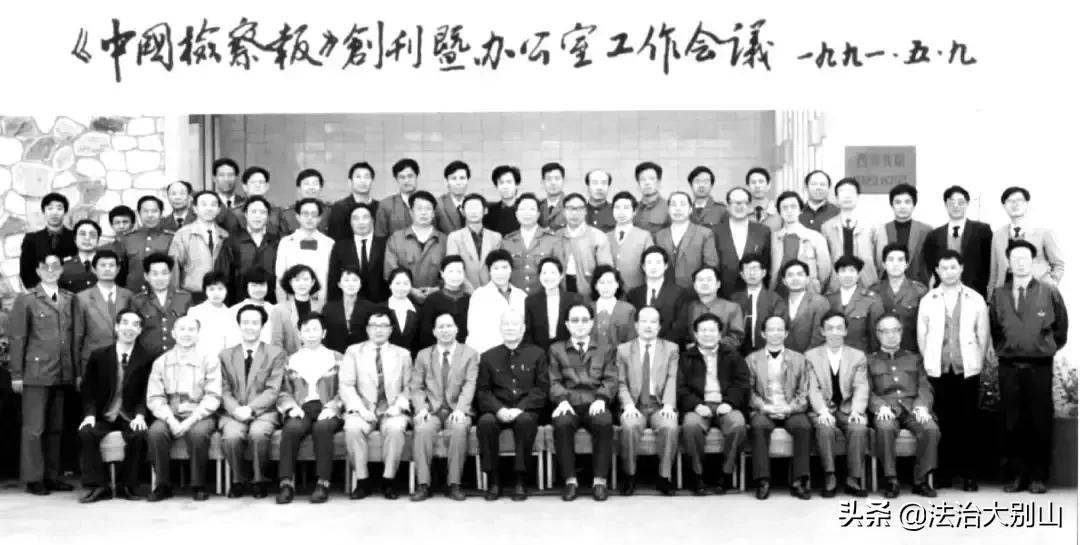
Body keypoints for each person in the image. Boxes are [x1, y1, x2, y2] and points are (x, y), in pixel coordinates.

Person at [988, 239, 1068, 494]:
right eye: (1015, 258)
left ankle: (1038, 476)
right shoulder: (999, 295)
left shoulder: (1049, 291)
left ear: (1033, 262)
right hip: (1009, 366)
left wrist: (1044, 348)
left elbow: (1061, 329)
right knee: (1012, 420)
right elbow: (995, 329)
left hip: (1039, 366)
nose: (1020, 262)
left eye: (1025, 258)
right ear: (1009, 263)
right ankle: (1016, 475)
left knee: (1040, 421)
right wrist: (1007, 348)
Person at [917, 249, 989, 492]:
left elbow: (983, 335)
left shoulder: (975, 299)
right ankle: (944, 474)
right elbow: (922, 335)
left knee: (968, 422)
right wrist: (930, 359)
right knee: (943, 421)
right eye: (944, 268)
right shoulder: (929, 299)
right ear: (937, 270)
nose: (949, 272)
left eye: (953, 267)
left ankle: (969, 475)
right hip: (938, 370)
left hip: (967, 369)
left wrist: (977, 361)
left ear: (961, 269)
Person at [9, 253, 76, 495]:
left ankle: (52, 475)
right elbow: (17, 338)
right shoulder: (27, 299)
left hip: (61, 372)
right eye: (45, 266)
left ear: (61, 270)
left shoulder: (69, 298)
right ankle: (33, 478)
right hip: (35, 372)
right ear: (38, 270)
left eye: (55, 266)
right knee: (34, 428)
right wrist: (17, 374)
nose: (50, 270)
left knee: (55, 428)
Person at [77, 309, 152, 502]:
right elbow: (89, 390)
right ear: (117, 327)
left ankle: (127, 485)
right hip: (104, 414)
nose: (129, 328)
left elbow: (146, 391)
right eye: (125, 323)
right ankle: (98, 486)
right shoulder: (99, 356)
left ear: (140, 330)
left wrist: (140, 415)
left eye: (135, 325)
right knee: (87, 432)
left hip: (130, 415)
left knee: (138, 434)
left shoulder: (146, 358)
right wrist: (90, 415)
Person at [145, 316, 223, 502]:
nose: (186, 334)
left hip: (200, 415)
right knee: (156, 432)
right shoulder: (161, 362)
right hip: (170, 414)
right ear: (173, 333)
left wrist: (190, 420)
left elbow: (213, 396)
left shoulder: (209, 360)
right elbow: (155, 397)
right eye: (182, 329)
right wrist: (170, 419)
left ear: (198, 334)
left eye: (191, 329)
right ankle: (163, 485)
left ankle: (198, 485)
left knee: (198, 434)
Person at [476, 309, 549, 501]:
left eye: (514, 324)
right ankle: (493, 480)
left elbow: (541, 388)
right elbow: (483, 391)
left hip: (525, 409)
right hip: (497, 409)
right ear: (500, 328)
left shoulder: (537, 354)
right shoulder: (488, 356)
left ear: (523, 328)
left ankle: (520, 481)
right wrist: (499, 409)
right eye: (506, 324)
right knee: (485, 423)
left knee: (525, 422)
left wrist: (520, 408)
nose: (510, 328)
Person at [340, 311, 413, 500]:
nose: (378, 330)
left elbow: (410, 386)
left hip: (392, 409)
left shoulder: (403, 354)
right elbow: (346, 385)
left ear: (391, 329)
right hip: (363, 409)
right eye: (374, 325)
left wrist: (398, 406)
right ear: (367, 329)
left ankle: (389, 480)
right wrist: (360, 409)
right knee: (352, 427)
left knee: (396, 428)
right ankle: (362, 481)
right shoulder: (353, 352)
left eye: (383, 326)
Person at [547, 303, 616, 502]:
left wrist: (602, 398)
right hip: (568, 403)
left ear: (592, 323)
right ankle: (570, 481)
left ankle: (599, 482)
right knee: (562, 423)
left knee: (604, 421)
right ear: (567, 324)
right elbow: (553, 380)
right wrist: (561, 400)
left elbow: (611, 378)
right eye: (575, 320)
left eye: (584, 320)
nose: (580, 324)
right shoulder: (556, 349)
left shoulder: (605, 349)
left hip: (595, 402)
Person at [275, 313, 345, 504]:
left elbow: (346, 387)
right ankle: (286, 483)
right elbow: (281, 390)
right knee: (291, 429)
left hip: (328, 406)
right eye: (306, 330)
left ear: (324, 333)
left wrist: (333, 407)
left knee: (322, 428)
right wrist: (291, 408)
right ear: (299, 334)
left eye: (315, 329)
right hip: (301, 407)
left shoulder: (337, 358)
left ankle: (323, 483)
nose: (311, 334)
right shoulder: (290, 360)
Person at [677, 313, 751, 496]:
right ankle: (697, 476)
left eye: (712, 330)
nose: (707, 334)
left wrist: (730, 402)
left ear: (719, 334)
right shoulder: (686, 358)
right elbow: (680, 387)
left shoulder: (733, 355)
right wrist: (696, 405)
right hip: (699, 405)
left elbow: (742, 383)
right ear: (695, 334)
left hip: (725, 405)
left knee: (737, 424)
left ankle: (726, 474)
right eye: (703, 330)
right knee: (691, 425)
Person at [409, 313, 480, 502]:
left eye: (449, 326)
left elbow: (470, 384)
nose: (445, 330)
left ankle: (454, 484)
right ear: (434, 332)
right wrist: (421, 409)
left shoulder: (470, 354)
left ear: (457, 329)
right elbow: (416, 386)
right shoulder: (423, 355)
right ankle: (423, 484)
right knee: (422, 428)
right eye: (440, 327)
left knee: (458, 428)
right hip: (431, 410)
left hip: (457, 409)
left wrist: (461, 409)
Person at [219, 304, 287, 499]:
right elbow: (223, 389)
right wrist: (236, 410)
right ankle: (239, 480)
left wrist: (250, 409)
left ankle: (260, 481)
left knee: (258, 434)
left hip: (264, 411)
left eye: (255, 322)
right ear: (239, 325)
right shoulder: (225, 355)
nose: (250, 326)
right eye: (245, 322)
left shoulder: (275, 353)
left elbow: (273, 389)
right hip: (233, 411)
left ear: (262, 326)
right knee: (231, 436)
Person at [868, 314, 940, 498]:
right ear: (878, 334)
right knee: (885, 428)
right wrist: (880, 406)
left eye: (895, 330)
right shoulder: (870, 360)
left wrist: (922, 406)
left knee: (930, 429)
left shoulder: (914, 358)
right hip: (886, 408)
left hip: (912, 407)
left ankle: (921, 481)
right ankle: (891, 480)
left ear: (901, 332)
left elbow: (924, 386)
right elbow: (866, 390)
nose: (891, 335)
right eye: (885, 331)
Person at [746, 315, 813, 500]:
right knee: (758, 426)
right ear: (763, 333)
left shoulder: (799, 359)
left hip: (791, 408)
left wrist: (790, 408)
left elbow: (804, 390)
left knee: (803, 426)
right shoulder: (752, 359)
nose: (775, 333)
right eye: (771, 329)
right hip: (764, 408)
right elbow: (749, 391)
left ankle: (799, 480)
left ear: (786, 333)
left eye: (779, 329)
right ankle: (762, 480)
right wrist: (764, 407)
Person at [804, 311, 871, 498]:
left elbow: (861, 386)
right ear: (822, 331)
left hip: (848, 408)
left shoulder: (857, 356)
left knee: (858, 427)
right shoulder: (810, 356)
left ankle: (853, 478)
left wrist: (857, 410)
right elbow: (812, 388)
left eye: (839, 328)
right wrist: (822, 411)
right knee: (825, 427)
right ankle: (830, 476)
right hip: (823, 408)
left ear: (846, 331)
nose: (834, 332)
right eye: (830, 328)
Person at [615, 307, 678, 495]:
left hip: (659, 404)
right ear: (636, 325)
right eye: (643, 321)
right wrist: (627, 405)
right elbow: (620, 382)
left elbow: (672, 378)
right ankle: (629, 476)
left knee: (669, 426)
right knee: (629, 426)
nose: (648, 326)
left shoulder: (671, 349)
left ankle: (664, 477)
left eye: (653, 322)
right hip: (635, 405)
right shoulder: (623, 350)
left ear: (659, 327)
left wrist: (668, 404)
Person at [988, 186, 1065, 293]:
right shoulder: (998, 235)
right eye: (1010, 201)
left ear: (1027, 204)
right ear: (1004, 206)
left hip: (1036, 292)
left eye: (1019, 200)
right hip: (1005, 293)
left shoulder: (1043, 233)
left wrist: (1050, 286)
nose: (1015, 204)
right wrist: (991, 297)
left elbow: (1058, 264)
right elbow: (994, 271)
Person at [923, 185, 994, 298]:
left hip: (975, 293)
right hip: (943, 294)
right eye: (952, 202)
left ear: (967, 204)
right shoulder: (934, 235)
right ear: (946, 204)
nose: (956, 206)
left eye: (960, 202)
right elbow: (930, 264)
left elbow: (989, 263)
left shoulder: (982, 231)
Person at [74, 250, 133, 372]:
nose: (107, 269)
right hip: (93, 362)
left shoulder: (128, 296)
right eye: (103, 265)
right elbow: (77, 337)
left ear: (118, 269)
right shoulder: (82, 298)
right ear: (94, 269)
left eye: (111, 265)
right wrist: (77, 372)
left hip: (124, 361)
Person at [215, 196, 279, 306]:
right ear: (245, 214)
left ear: (268, 216)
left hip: (270, 303)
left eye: (262, 212)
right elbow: (222, 275)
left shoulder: (277, 242)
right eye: (253, 212)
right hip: (238, 302)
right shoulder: (232, 241)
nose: (257, 216)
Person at [384, 190, 447, 301]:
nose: (424, 213)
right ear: (411, 212)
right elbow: (389, 272)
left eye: (428, 209)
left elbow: (451, 271)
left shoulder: (445, 240)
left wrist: (436, 289)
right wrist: (411, 290)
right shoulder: (396, 239)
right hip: (403, 299)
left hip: (437, 300)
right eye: (419, 209)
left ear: (433, 213)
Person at [168, 190, 228, 304]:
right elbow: (174, 267)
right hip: (192, 294)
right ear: (195, 208)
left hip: (219, 294)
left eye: (213, 205)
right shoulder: (183, 234)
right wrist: (175, 296)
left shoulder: (225, 235)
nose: (209, 208)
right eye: (204, 204)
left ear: (219, 210)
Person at [130, 253, 193, 357]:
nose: (160, 278)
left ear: (170, 275)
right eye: (155, 274)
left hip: (179, 356)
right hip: (148, 358)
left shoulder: (184, 298)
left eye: (164, 273)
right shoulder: (138, 300)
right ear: (146, 276)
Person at [713, 187, 772, 298]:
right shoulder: (715, 231)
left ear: (749, 206)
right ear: (727, 206)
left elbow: (767, 265)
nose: (739, 206)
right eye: (735, 202)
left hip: (754, 294)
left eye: (743, 202)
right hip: (723, 294)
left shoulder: (763, 231)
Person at [499, 193, 564, 293]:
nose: (527, 213)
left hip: (544, 297)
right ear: (516, 214)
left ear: (538, 214)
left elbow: (561, 272)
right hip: (515, 298)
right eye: (523, 209)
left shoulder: (552, 240)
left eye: (532, 209)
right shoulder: (507, 242)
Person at [821, 178, 879, 289]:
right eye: (842, 192)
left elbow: (879, 258)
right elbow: (825, 261)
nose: (847, 196)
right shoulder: (827, 227)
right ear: (836, 198)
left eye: (850, 191)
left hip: (867, 283)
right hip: (837, 285)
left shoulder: (872, 225)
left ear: (858, 196)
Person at [465, 249, 528, 353]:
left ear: (511, 269)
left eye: (504, 268)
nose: (500, 273)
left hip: (518, 353)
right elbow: (474, 331)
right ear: (489, 271)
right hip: (488, 352)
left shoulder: (521, 296)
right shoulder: (479, 295)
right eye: (496, 268)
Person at [275, 198, 334, 305]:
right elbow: (280, 276)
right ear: (298, 217)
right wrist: (282, 305)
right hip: (291, 303)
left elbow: (332, 277)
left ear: (320, 218)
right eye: (305, 214)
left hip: (321, 303)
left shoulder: (329, 243)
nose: (309, 218)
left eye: (314, 214)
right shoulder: (286, 243)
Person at [770, 191, 831, 295]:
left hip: (808, 293)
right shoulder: (773, 238)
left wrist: (816, 288)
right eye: (784, 208)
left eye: (793, 207)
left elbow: (825, 269)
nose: (789, 211)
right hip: (778, 293)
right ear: (779, 212)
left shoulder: (815, 237)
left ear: (800, 210)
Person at [655, 191, 719, 289]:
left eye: (682, 204)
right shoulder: (659, 235)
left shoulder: (705, 234)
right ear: (668, 210)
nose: (678, 208)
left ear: (690, 209)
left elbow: (711, 265)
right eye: (673, 205)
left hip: (694, 290)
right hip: (666, 290)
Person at [326, 202, 388, 303]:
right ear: (350, 222)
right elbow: (333, 279)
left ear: (372, 220)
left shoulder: (385, 244)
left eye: (365, 217)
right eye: (356, 218)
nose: (361, 222)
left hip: (381, 304)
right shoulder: (340, 247)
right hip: (350, 304)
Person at [625, 246, 689, 343]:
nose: (653, 266)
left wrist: (659, 346)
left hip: (669, 346)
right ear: (643, 267)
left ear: (666, 266)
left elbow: (681, 326)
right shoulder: (633, 294)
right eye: (649, 262)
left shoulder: (679, 293)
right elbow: (630, 325)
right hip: (639, 347)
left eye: (658, 262)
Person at [872, 184, 932, 285]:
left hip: (919, 286)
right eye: (898, 202)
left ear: (914, 204)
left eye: (907, 202)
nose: (902, 206)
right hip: (888, 287)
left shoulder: (926, 231)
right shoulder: (882, 230)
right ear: (892, 205)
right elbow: (876, 262)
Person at [556, 192, 613, 297]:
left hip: (589, 290)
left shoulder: (598, 236)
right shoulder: (557, 236)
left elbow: (605, 270)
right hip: (561, 290)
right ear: (563, 211)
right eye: (570, 208)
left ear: (585, 211)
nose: (575, 213)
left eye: (579, 208)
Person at [523, 257, 585, 353]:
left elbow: (580, 329)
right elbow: (528, 332)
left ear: (561, 275)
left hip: (568, 352)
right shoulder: (531, 301)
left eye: (553, 272)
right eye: (544, 273)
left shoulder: (575, 299)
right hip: (539, 352)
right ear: (539, 276)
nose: (548, 277)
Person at [825, 255, 885, 354]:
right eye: (843, 271)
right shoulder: (828, 299)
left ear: (858, 274)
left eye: (852, 271)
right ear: (837, 274)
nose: (847, 275)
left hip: (861, 355)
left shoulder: (871, 299)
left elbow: (876, 334)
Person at [676, 266, 744, 351]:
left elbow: (737, 338)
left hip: (723, 355)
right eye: (700, 280)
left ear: (718, 284)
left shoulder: (732, 307)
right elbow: (681, 334)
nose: (705, 283)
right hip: (693, 356)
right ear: (694, 286)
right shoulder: (689, 307)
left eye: (709, 280)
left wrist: (706, 345)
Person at [731, 254, 787, 356]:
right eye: (747, 269)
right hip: (737, 352)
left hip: (765, 351)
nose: (752, 273)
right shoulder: (734, 299)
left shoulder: (775, 299)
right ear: (742, 274)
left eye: (755, 268)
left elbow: (780, 327)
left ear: (764, 273)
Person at [445, 193, 502, 290]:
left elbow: (498, 266)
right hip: (464, 290)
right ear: (462, 211)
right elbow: (452, 266)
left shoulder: (496, 237)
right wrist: (468, 288)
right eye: (469, 208)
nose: (473, 211)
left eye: (477, 207)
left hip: (491, 290)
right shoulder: (454, 237)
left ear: (485, 210)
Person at [20, 192, 77, 290]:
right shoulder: (31, 239)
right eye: (50, 208)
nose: (54, 212)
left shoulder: (75, 238)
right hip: (40, 293)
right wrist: (38, 292)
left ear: (65, 212)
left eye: (59, 208)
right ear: (44, 211)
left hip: (70, 292)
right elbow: (26, 271)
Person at [118, 195, 174, 293]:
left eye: (154, 211)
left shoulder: (171, 238)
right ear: (138, 213)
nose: (150, 215)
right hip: (133, 293)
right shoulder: (127, 239)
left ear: (161, 213)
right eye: (145, 211)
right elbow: (121, 270)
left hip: (163, 294)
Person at [878, 244, 928, 352]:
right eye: (891, 260)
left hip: (912, 352)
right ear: (884, 264)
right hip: (880, 355)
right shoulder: (874, 291)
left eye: (900, 260)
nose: (895, 264)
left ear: (907, 264)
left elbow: (926, 326)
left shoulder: (919, 291)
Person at [269, 264, 326, 355]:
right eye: (297, 280)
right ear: (290, 282)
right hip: (289, 360)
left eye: (305, 279)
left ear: (312, 282)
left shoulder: (322, 307)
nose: (301, 283)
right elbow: (276, 343)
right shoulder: (279, 310)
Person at [415, 256, 470, 349]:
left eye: (459, 272)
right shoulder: (432, 300)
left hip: (466, 352)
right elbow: (425, 333)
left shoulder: (470, 299)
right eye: (450, 271)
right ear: (442, 273)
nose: (455, 275)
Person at [606, 191, 654, 291]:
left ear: (634, 211)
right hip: (609, 291)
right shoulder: (605, 237)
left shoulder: (644, 236)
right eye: (617, 207)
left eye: (626, 208)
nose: (621, 212)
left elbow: (650, 265)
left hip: (636, 291)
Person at [322, 266, 376, 353]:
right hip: (335, 355)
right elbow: (324, 336)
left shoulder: (370, 308)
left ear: (360, 284)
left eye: (355, 280)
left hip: (363, 354)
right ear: (339, 284)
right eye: (346, 280)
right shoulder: (328, 308)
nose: (351, 284)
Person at [780, 259, 830, 353]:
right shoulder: (780, 303)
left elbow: (820, 337)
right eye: (790, 275)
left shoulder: (819, 302)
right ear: (784, 281)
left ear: (807, 279)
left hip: (812, 357)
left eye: (799, 274)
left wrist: (806, 357)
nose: (795, 278)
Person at [187, 272, 240, 358]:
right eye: (211, 289)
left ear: (227, 290)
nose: (216, 293)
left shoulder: (231, 314)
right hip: (198, 360)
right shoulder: (195, 312)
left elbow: (233, 343)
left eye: (220, 289)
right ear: (205, 291)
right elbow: (189, 339)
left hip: (223, 361)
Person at [589, 265, 637, 355]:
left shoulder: (628, 310)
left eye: (610, 282)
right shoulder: (587, 309)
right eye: (602, 283)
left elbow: (632, 342)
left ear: (617, 284)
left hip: (619, 359)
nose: (606, 287)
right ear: (595, 285)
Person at [326, 162, 378, 241]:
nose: (362, 181)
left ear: (372, 181)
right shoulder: (340, 208)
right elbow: (335, 239)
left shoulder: (380, 207)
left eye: (366, 177)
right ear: (350, 181)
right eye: (358, 177)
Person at [234, 166, 290, 238]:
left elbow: (285, 237)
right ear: (245, 187)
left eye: (261, 182)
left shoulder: (277, 211)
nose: (257, 185)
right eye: (253, 182)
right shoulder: (236, 213)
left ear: (267, 186)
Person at [228, 267, 276, 345]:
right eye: (254, 285)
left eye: (262, 285)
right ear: (246, 286)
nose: (258, 289)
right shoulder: (233, 311)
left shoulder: (275, 310)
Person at [374, 159, 419, 238]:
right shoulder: (386, 205)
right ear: (396, 179)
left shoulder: (429, 203)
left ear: (416, 176)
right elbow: (380, 236)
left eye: (410, 176)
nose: (406, 181)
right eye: (402, 177)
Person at [383, 268, 422, 354]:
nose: (401, 288)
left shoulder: (418, 311)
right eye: (397, 283)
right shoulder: (380, 309)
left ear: (411, 286)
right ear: (390, 285)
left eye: (406, 283)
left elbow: (419, 342)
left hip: (409, 359)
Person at [59, 219, 103, 294]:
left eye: (92, 235)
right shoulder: (63, 266)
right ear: (75, 239)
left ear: (98, 240)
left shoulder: (109, 264)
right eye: (82, 234)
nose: (87, 238)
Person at [483, 165, 523, 236]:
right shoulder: (489, 212)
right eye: (501, 183)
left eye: (509, 182)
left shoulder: (526, 208)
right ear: (496, 186)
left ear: (517, 184)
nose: (505, 186)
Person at [632, 161, 670, 234]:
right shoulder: (633, 208)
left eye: (651, 179)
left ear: (659, 182)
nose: (647, 183)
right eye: (643, 179)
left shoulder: (669, 207)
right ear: (638, 184)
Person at [210, 157, 246, 234]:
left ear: (237, 178)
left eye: (230, 175)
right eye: (222, 175)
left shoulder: (245, 204)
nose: (226, 179)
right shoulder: (207, 203)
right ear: (214, 178)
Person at [435, 160, 470, 235]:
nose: (458, 182)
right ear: (446, 182)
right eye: (454, 178)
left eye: (462, 178)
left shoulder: (474, 203)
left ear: (468, 181)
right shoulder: (438, 205)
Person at [745, 167, 782, 231]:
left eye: (761, 182)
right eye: (753, 182)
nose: (757, 186)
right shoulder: (740, 212)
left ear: (768, 185)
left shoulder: (779, 211)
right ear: (747, 186)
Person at [539, 162, 568, 230]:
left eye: (557, 178)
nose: (553, 183)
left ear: (563, 181)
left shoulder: (571, 205)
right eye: (549, 179)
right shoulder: (538, 206)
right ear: (542, 182)